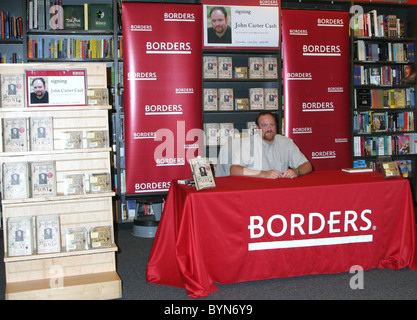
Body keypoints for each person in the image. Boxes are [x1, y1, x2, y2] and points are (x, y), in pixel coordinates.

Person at [229, 111, 313, 179]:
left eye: (272, 125)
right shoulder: (248, 144)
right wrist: (263, 174)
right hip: (256, 190)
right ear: (257, 128)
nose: (269, 129)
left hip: (281, 190)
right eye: (265, 125)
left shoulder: (287, 143)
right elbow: (234, 170)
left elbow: (307, 166)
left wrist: (296, 172)